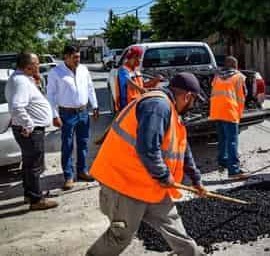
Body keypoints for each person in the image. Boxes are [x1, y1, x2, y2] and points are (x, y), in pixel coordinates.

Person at [86, 72, 207, 256]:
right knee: (120, 236)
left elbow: (182, 148)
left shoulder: (171, 110)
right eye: (194, 101)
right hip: (124, 185)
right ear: (187, 96)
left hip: (148, 183)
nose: (193, 105)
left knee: (175, 229)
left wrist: (196, 179)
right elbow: (147, 148)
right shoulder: (157, 106)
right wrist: (164, 175)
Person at [5, 52, 58, 211]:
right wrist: (29, 124)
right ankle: (36, 200)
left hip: (27, 129)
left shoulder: (20, 78)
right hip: (30, 131)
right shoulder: (20, 81)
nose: (39, 66)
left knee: (29, 165)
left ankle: (30, 194)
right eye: (36, 63)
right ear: (28, 66)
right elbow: (17, 106)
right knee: (34, 165)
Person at [47, 45, 99, 190]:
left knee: (83, 143)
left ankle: (82, 171)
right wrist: (55, 115)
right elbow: (50, 95)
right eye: (75, 57)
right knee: (67, 146)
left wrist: (94, 105)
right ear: (66, 57)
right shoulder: (55, 73)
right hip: (66, 114)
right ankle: (68, 176)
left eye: (78, 56)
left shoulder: (83, 69)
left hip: (83, 112)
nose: (78, 59)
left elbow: (90, 87)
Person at [209, 56, 250, 179]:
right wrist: (239, 114)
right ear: (236, 66)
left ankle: (223, 161)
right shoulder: (239, 77)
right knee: (232, 141)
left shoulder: (217, 76)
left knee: (222, 138)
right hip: (230, 112)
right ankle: (234, 171)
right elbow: (241, 97)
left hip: (216, 112)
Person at [114, 45, 162, 112]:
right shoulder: (123, 70)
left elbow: (143, 85)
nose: (140, 60)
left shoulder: (136, 70)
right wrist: (141, 90)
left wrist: (155, 81)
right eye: (139, 57)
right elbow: (128, 81)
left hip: (137, 104)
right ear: (134, 57)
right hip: (127, 107)